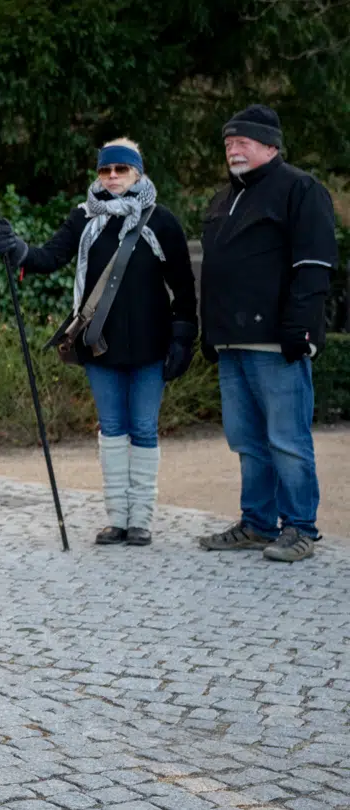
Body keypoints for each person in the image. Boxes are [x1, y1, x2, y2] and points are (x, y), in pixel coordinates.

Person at [0, 139, 197, 546]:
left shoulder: (162, 221)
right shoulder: (84, 218)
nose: (113, 176)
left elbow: (184, 286)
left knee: (143, 428)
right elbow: (49, 257)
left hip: (152, 344)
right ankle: (117, 519)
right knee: (113, 429)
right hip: (100, 343)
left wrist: (184, 336)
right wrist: (16, 248)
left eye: (121, 169)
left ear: (138, 173)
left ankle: (141, 520)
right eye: (106, 170)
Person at [196, 105, 337, 563]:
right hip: (231, 342)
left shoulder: (300, 189)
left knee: (287, 440)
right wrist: (210, 330)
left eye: (243, 142)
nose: (233, 150)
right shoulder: (223, 199)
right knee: (246, 441)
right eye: (228, 143)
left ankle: (300, 528)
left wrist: (302, 327)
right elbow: (215, 272)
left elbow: (314, 265)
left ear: (271, 146)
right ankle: (258, 523)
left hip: (278, 342)